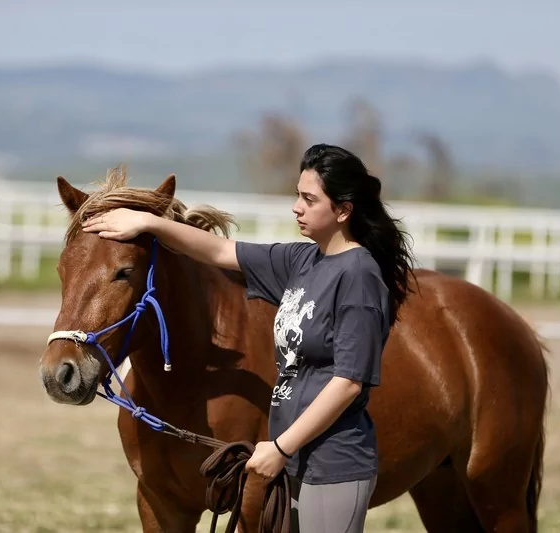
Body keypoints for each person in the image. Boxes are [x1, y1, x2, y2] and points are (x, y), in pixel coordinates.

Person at [81, 143, 415, 532]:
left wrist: (280, 447)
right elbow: (220, 250)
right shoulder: (303, 261)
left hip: (332, 464)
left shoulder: (359, 276)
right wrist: (150, 223)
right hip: (291, 463)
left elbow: (348, 384)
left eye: (309, 199)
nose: (296, 207)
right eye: (297, 196)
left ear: (343, 210)